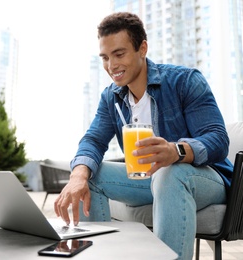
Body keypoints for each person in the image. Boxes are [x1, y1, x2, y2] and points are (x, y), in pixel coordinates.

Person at [54, 12, 233, 259]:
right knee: (90, 175)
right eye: (105, 58)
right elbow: (93, 140)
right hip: (148, 179)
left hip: (205, 178)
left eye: (119, 54)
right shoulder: (111, 97)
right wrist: (78, 174)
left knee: (170, 173)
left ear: (142, 48)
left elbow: (217, 139)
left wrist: (176, 151)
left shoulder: (185, 81)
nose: (111, 65)